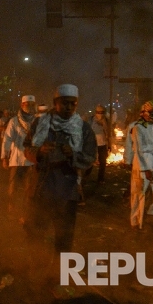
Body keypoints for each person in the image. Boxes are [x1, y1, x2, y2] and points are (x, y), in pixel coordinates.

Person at [23, 84, 96, 268]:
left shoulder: (84, 129)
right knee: (36, 233)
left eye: (73, 104)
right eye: (65, 103)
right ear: (55, 103)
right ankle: (35, 270)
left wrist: (73, 155)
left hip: (67, 191)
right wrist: (39, 151)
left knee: (64, 237)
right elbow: (26, 148)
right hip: (41, 187)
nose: (69, 107)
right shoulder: (40, 124)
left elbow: (89, 159)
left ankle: (57, 274)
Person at [124, 100, 153, 229]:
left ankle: (152, 213)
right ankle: (135, 222)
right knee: (138, 194)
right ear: (143, 113)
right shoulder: (137, 127)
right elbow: (137, 149)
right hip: (141, 164)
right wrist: (144, 169)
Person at [2, 95, 37, 221]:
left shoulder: (38, 121)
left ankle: (26, 213)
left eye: (32, 104)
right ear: (22, 105)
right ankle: (11, 210)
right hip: (16, 160)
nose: (30, 107)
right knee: (13, 188)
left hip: (32, 161)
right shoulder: (14, 121)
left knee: (29, 189)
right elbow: (7, 139)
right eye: (28, 104)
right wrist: (5, 157)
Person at [86, 104, 111, 183]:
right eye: (98, 112)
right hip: (92, 143)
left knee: (103, 162)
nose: (100, 114)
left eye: (102, 112)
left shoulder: (106, 121)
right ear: (95, 112)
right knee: (90, 161)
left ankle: (100, 178)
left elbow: (108, 133)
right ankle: (85, 176)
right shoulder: (91, 120)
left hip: (102, 144)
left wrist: (109, 144)